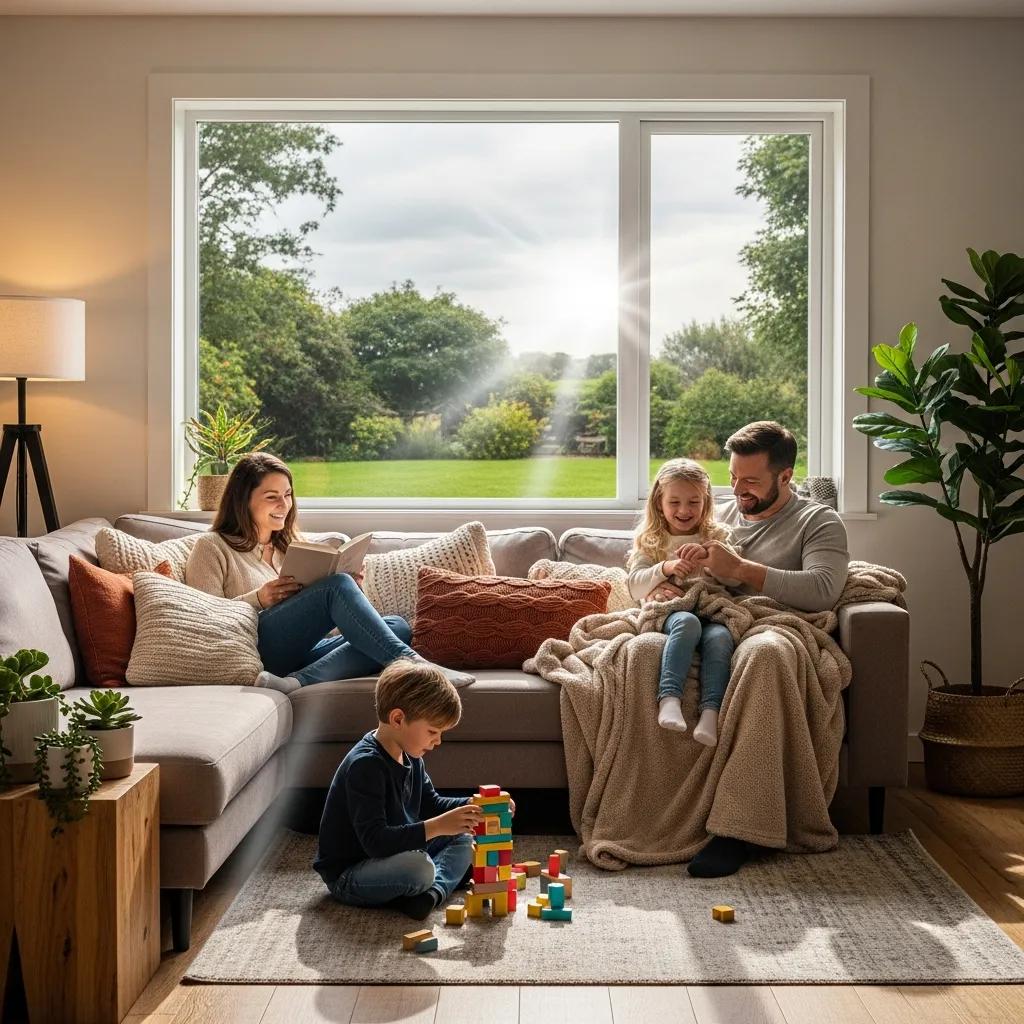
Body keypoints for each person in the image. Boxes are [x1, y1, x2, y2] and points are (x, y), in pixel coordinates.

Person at [648, 422, 850, 878]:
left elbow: (824, 590)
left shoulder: (818, 522)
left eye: (751, 481)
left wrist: (742, 569)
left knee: (765, 655)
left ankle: (740, 828)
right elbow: (664, 563)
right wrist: (664, 586)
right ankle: (660, 820)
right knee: (639, 654)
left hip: (777, 624)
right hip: (714, 620)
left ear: (786, 476)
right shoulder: (715, 518)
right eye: (733, 477)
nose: (738, 490)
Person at [184, 452, 474, 692]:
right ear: (243, 500)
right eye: (272, 497)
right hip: (251, 649)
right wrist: (258, 598)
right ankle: (416, 666)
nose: (284, 505)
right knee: (338, 588)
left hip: (297, 654)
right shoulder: (212, 547)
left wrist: (351, 590)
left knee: (397, 626)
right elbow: (204, 622)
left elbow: (332, 628)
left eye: (288, 495)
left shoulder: (290, 547)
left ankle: (296, 682)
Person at [314, 658, 514, 920]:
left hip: (395, 853)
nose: (438, 741)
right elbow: (375, 842)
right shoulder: (365, 765)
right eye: (432, 731)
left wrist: (475, 806)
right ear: (398, 719)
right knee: (420, 869)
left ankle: (429, 895)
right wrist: (438, 827)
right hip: (351, 873)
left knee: (465, 838)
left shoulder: (410, 755)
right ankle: (435, 883)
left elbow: (430, 804)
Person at [627, 458, 738, 746]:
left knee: (721, 637)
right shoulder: (651, 540)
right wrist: (665, 568)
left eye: (694, 502)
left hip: (711, 610)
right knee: (687, 623)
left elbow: (735, 580)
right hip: (673, 612)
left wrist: (710, 561)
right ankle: (669, 698)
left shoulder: (717, 537)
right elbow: (635, 585)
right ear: (659, 503)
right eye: (674, 502)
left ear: (706, 502)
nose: (684, 510)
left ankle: (710, 713)